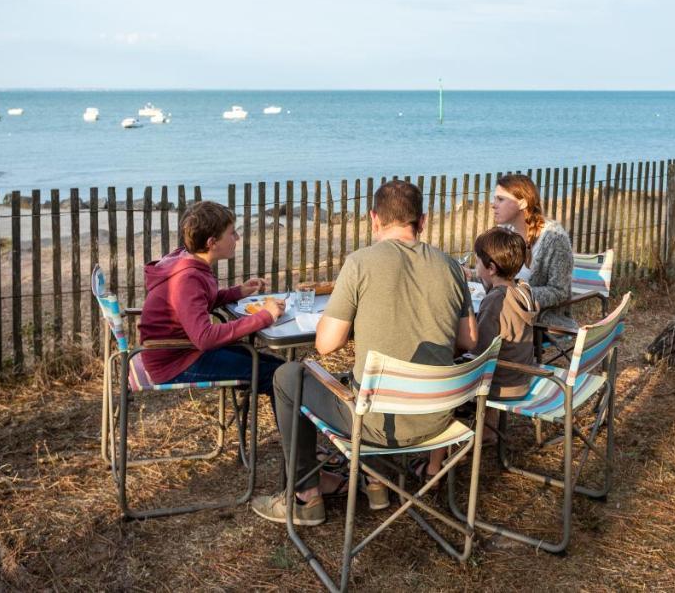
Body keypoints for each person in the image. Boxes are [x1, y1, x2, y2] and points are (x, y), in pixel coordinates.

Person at [251, 179, 477, 526]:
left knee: (287, 375)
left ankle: (305, 497)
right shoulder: (450, 266)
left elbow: (326, 344)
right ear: (423, 220)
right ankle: (376, 483)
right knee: (365, 379)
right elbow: (469, 341)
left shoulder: (360, 263)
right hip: (437, 419)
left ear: (374, 219)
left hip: (376, 424)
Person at [422, 225, 535, 479]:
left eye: (478, 262)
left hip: (500, 385)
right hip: (521, 377)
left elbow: (478, 349)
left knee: (446, 379)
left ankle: (433, 467)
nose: (476, 266)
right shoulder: (523, 290)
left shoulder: (495, 301)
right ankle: (487, 432)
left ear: (491, 268)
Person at [137, 200, 285, 395]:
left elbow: (197, 304)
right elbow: (205, 338)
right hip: (175, 362)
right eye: (232, 233)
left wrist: (237, 292)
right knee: (277, 376)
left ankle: (294, 423)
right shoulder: (187, 279)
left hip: (183, 350)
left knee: (281, 368)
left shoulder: (187, 261)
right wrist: (265, 316)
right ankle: (292, 426)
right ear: (211, 242)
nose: (237, 237)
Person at [491, 173, 572, 312]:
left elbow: (560, 292)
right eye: (494, 199)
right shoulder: (503, 232)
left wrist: (516, 296)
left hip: (541, 324)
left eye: (500, 199)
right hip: (504, 314)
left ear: (522, 203)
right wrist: (469, 273)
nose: (493, 205)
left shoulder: (554, 238)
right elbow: (493, 272)